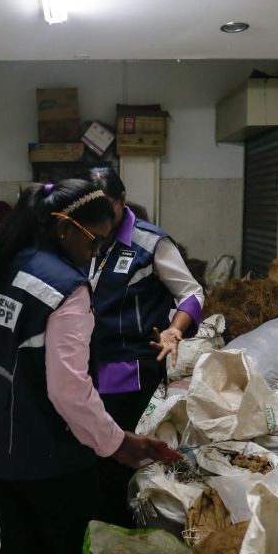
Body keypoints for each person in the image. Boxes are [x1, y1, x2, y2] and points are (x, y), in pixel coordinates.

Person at [0, 179, 180, 554]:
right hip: (39, 451)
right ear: (64, 228)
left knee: (20, 545)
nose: (97, 255)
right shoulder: (65, 288)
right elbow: (68, 390)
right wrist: (117, 443)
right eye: (95, 242)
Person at [86, 169, 205, 527]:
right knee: (95, 447)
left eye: (106, 207)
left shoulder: (150, 243)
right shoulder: (86, 238)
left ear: (122, 200)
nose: (100, 219)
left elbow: (193, 293)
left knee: (114, 451)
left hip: (130, 364)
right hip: (88, 361)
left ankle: (119, 528)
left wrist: (174, 329)